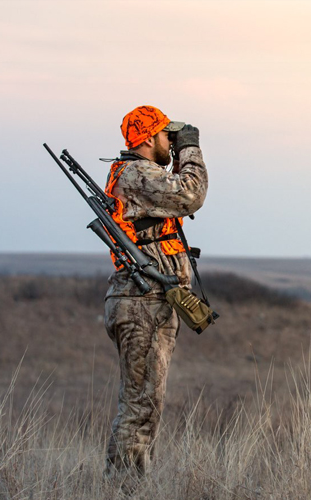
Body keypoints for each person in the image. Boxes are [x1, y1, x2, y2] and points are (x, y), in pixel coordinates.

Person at [102, 105, 208, 478]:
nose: (172, 143)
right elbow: (190, 194)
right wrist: (191, 149)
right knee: (140, 406)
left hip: (150, 301)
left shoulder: (138, 175)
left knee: (146, 405)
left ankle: (131, 484)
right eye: (168, 136)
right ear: (147, 139)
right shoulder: (136, 175)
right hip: (141, 303)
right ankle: (123, 488)